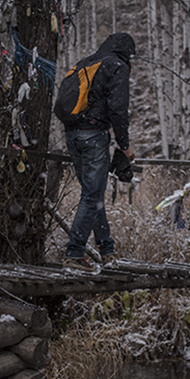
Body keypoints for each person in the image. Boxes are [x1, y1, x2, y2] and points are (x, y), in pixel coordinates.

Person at [62, 32, 136, 272]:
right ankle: (74, 254)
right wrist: (124, 145)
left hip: (73, 134)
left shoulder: (87, 63)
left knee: (92, 194)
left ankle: (107, 250)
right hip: (93, 135)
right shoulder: (116, 66)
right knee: (92, 196)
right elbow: (118, 107)